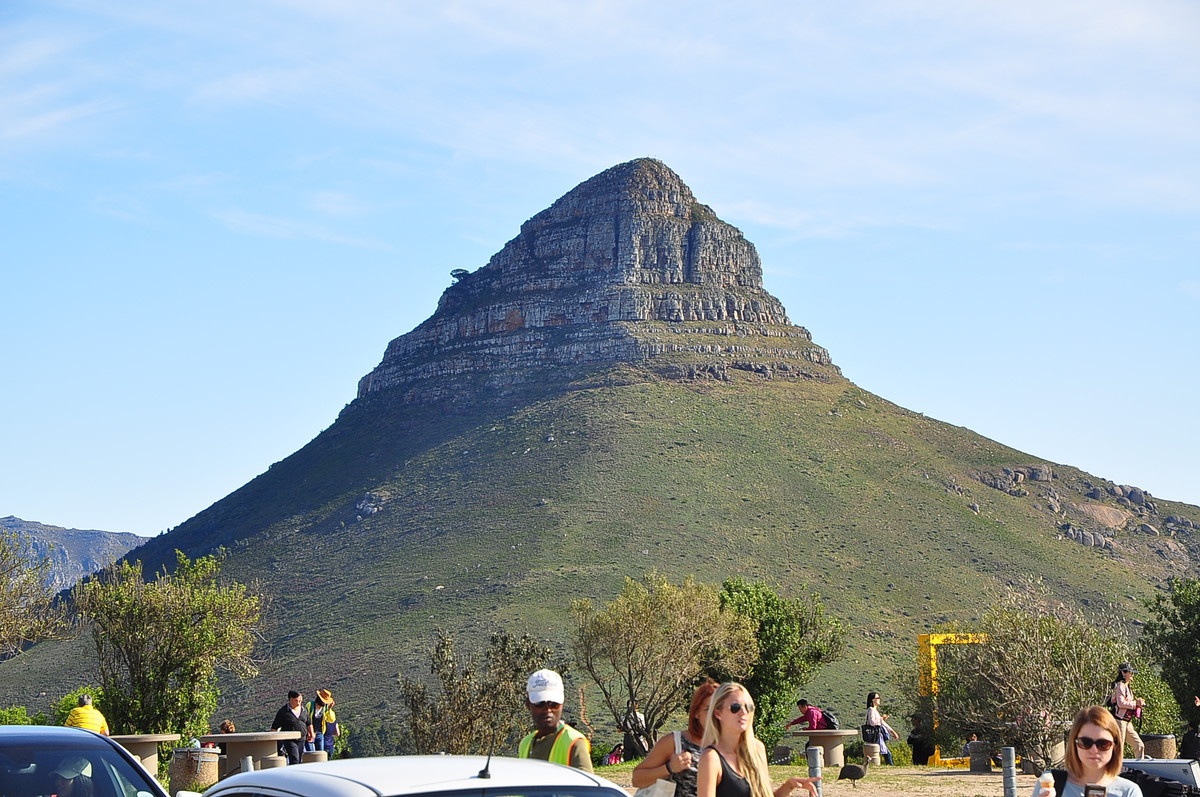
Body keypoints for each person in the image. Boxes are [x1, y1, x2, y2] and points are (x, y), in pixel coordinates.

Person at [696, 683, 819, 797]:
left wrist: (789, 785)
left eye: (748, 707)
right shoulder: (711, 758)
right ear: (718, 713)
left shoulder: (757, 749)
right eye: (735, 707)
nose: (743, 712)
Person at [1032, 706, 1143, 797]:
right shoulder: (1050, 784)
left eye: (1103, 743)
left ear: (1115, 746)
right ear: (1074, 744)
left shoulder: (1129, 792)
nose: (1094, 750)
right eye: (1085, 742)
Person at [633, 679, 718, 797]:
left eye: (718, 708)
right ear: (696, 713)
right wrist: (669, 768)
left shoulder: (731, 746)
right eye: (708, 709)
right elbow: (637, 779)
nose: (714, 715)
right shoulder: (675, 742)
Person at [517, 669, 592, 771]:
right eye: (540, 703)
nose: (547, 710)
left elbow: (586, 786)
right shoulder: (525, 744)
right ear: (528, 704)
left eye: (553, 704)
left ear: (562, 704)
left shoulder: (574, 742)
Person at [1110, 663, 1146, 759]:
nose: (1132, 675)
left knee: (1139, 745)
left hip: (1127, 722)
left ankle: (1140, 770)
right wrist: (1136, 704)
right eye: (1130, 673)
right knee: (1119, 749)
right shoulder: (1120, 686)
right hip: (1119, 721)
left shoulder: (1128, 687)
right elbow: (1121, 703)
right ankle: (1116, 770)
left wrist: (1137, 704)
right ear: (1123, 673)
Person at [271, 690, 314, 764]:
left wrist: (311, 733)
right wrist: (273, 741)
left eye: (301, 699)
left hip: (302, 738)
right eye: (297, 699)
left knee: (299, 759)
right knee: (294, 758)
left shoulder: (304, 710)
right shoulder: (283, 711)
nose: (299, 701)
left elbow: (308, 722)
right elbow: (274, 727)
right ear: (291, 699)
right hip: (289, 739)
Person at [865, 691, 897, 765]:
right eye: (877, 698)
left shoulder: (874, 711)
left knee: (886, 753)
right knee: (887, 754)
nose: (879, 699)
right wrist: (882, 718)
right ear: (873, 700)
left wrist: (892, 732)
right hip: (875, 736)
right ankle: (891, 767)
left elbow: (883, 724)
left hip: (877, 736)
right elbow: (872, 723)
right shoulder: (871, 710)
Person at [305, 689, 335, 753]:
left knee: (320, 754)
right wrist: (308, 732)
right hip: (310, 733)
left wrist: (329, 709)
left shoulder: (325, 708)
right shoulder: (310, 705)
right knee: (311, 754)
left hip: (320, 733)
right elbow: (306, 718)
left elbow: (331, 719)